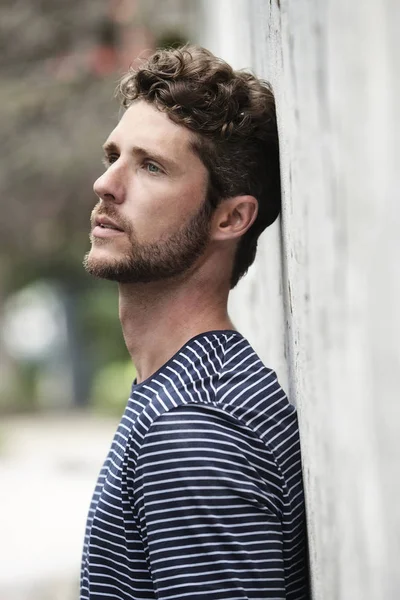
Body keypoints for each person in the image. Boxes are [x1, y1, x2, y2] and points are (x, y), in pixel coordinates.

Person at [81, 44, 309, 600]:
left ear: (231, 217)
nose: (106, 184)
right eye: (113, 155)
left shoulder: (193, 430)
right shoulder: (189, 387)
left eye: (151, 166)